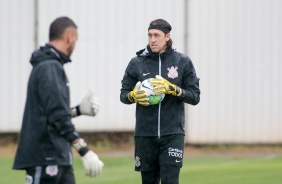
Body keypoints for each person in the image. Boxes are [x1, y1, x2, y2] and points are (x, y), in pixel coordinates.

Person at [13, 16, 104, 184]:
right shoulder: (49, 67)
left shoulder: (52, 65)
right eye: (75, 40)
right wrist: (84, 150)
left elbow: (51, 113)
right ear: (69, 37)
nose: (75, 45)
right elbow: (57, 116)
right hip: (45, 157)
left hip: (59, 157)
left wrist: (78, 111)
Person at [120, 19, 200, 184]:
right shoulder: (137, 63)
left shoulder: (182, 62)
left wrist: (174, 90)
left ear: (167, 36)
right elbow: (123, 95)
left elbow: (195, 96)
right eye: (150, 35)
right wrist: (133, 96)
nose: (152, 39)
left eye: (157, 35)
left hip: (172, 134)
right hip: (145, 135)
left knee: (170, 180)